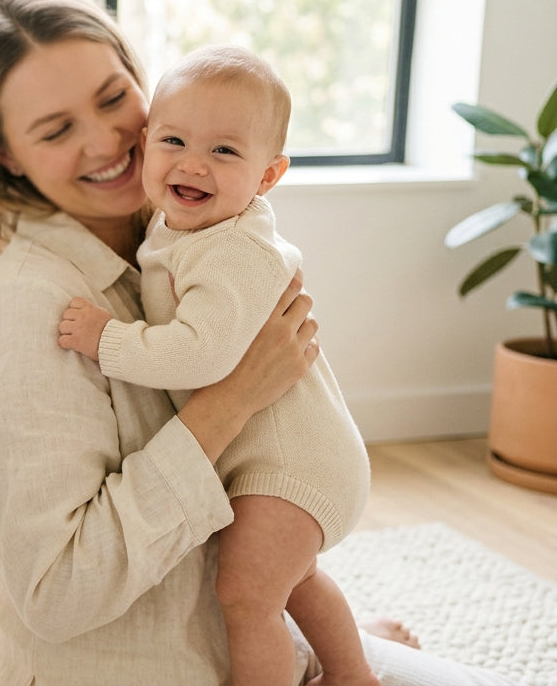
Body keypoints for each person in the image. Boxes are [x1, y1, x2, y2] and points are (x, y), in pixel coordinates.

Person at [0, 0, 518, 686]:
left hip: (247, 642)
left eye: (114, 98)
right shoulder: (33, 315)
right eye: (56, 130)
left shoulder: (177, 238)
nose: (107, 141)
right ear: (3, 154)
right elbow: (56, 594)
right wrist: (233, 399)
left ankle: (333, 643)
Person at [55, 44, 372, 686]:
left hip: (291, 469)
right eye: (174, 140)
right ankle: (352, 673)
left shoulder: (237, 251)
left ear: (267, 176)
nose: (194, 163)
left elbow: (202, 353)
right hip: (283, 463)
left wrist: (107, 338)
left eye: (225, 151)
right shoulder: (187, 227)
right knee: (294, 581)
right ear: (145, 146)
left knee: (246, 596)